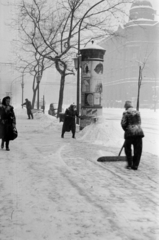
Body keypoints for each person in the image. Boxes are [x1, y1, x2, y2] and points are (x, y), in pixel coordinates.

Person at [121, 101, 144, 170]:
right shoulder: (137, 112)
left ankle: (130, 164)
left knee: (128, 149)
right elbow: (139, 122)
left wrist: (127, 130)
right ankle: (135, 165)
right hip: (139, 133)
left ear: (126, 107)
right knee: (138, 150)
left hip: (130, 134)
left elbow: (123, 124)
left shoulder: (125, 113)